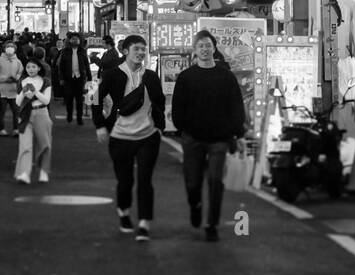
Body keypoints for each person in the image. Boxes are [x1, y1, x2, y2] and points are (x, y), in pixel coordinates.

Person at [172, 29, 247, 243]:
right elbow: (178, 107)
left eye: (208, 45)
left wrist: (238, 133)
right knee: (193, 182)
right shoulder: (186, 77)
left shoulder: (226, 76)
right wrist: (182, 128)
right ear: (194, 50)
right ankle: (195, 205)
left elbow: (236, 106)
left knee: (215, 181)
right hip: (192, 137)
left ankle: (212, 224)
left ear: (214, 48)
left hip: (219, 139)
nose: (204, 49)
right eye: (200, 46)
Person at [94, 35, 165, 242]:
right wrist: (99, 125)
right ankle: (124, 211)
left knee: (145, 180)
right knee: (125, 180)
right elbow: (95, 98)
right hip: (120, 135)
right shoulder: (112, 74)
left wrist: (159, 127)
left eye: (143, 49)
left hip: (148, 136)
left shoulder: (151, 76)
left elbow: (159, 102)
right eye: (137, 49)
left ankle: (144, 223)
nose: (141, 52)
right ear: (125, 51)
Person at [14, 58, 53, 184]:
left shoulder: (46, 81)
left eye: (33, 67)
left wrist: (35, 91)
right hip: (25, 114)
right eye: (28, 67)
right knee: (25, 145)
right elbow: (18, 102)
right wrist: (24, 93)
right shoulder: (22, 81)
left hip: (42, 113)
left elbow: (46, 101)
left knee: (44, 144)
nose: (31, 69)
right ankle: (24, 173)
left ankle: (43, 171)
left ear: (39, 68)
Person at [0, 41, 23, 136]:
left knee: (16, 111)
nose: (10, 48)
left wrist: (16, 78)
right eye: (8, 46)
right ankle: (1, 128)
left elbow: (20, 72)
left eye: (12, 46)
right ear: (4, 48)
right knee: (1, 111)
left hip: (14, 90)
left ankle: (16, 129)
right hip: (2, 90)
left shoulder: (18, 61)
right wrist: (4, 79)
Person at [58, 32, 90, 124]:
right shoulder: (65, 51)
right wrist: (61, 78)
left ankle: (79, 118)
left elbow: (86, 65)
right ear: (70, 40)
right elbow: (61, 66)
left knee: (79, 100)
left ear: (80, 40)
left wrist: (90, 78)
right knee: (69, 99)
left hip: (79, 78)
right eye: (73, 39)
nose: (75, 40)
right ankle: (69, 115)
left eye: (77, 39)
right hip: (68, 78)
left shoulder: (82, 51)